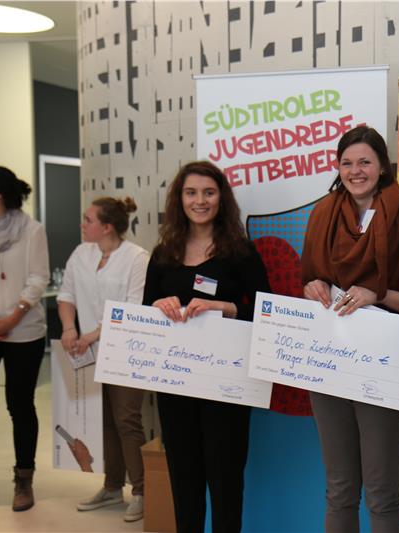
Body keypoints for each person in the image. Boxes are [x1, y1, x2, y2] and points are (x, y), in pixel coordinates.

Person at [301, 125, 399, 533]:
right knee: (339, 490)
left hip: (383, 368)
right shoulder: (322, 215)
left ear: (383, 166)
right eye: (346, 163)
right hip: (330, 365)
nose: (355, 171)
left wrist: (378, 295)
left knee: (381, 493)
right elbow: (309, 279)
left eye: (365, 161)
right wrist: (310, 285)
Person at [143, 160, 270, 533]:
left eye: (209, 192)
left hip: (225, 387)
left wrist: (226, 308)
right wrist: (157, 306)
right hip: (175, 385)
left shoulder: (241, 252)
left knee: (225, 480)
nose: (200, 201)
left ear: (221, 198)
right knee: (184, 481)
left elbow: (268, 312)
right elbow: (143, 312)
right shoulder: (163, 253)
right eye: (191, 193)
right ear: (179, 199)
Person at [56, 196, 149, 522]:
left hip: (125, 350)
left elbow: (133, 308)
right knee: (104, 420)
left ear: (107, 227)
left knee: (127, 421)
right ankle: (112, 487)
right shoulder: (81, 253)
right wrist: (69, 328)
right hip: (88, 352)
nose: (82, 224)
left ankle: (141, 492)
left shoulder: (136, 258)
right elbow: (66, 295)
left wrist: (92, 334)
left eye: (88, 219)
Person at [0, 166, 50, 512]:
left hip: (24, 330)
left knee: (19, 404)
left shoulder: (32, 230)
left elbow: (39, 278)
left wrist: (13, 316)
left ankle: (24, 479)